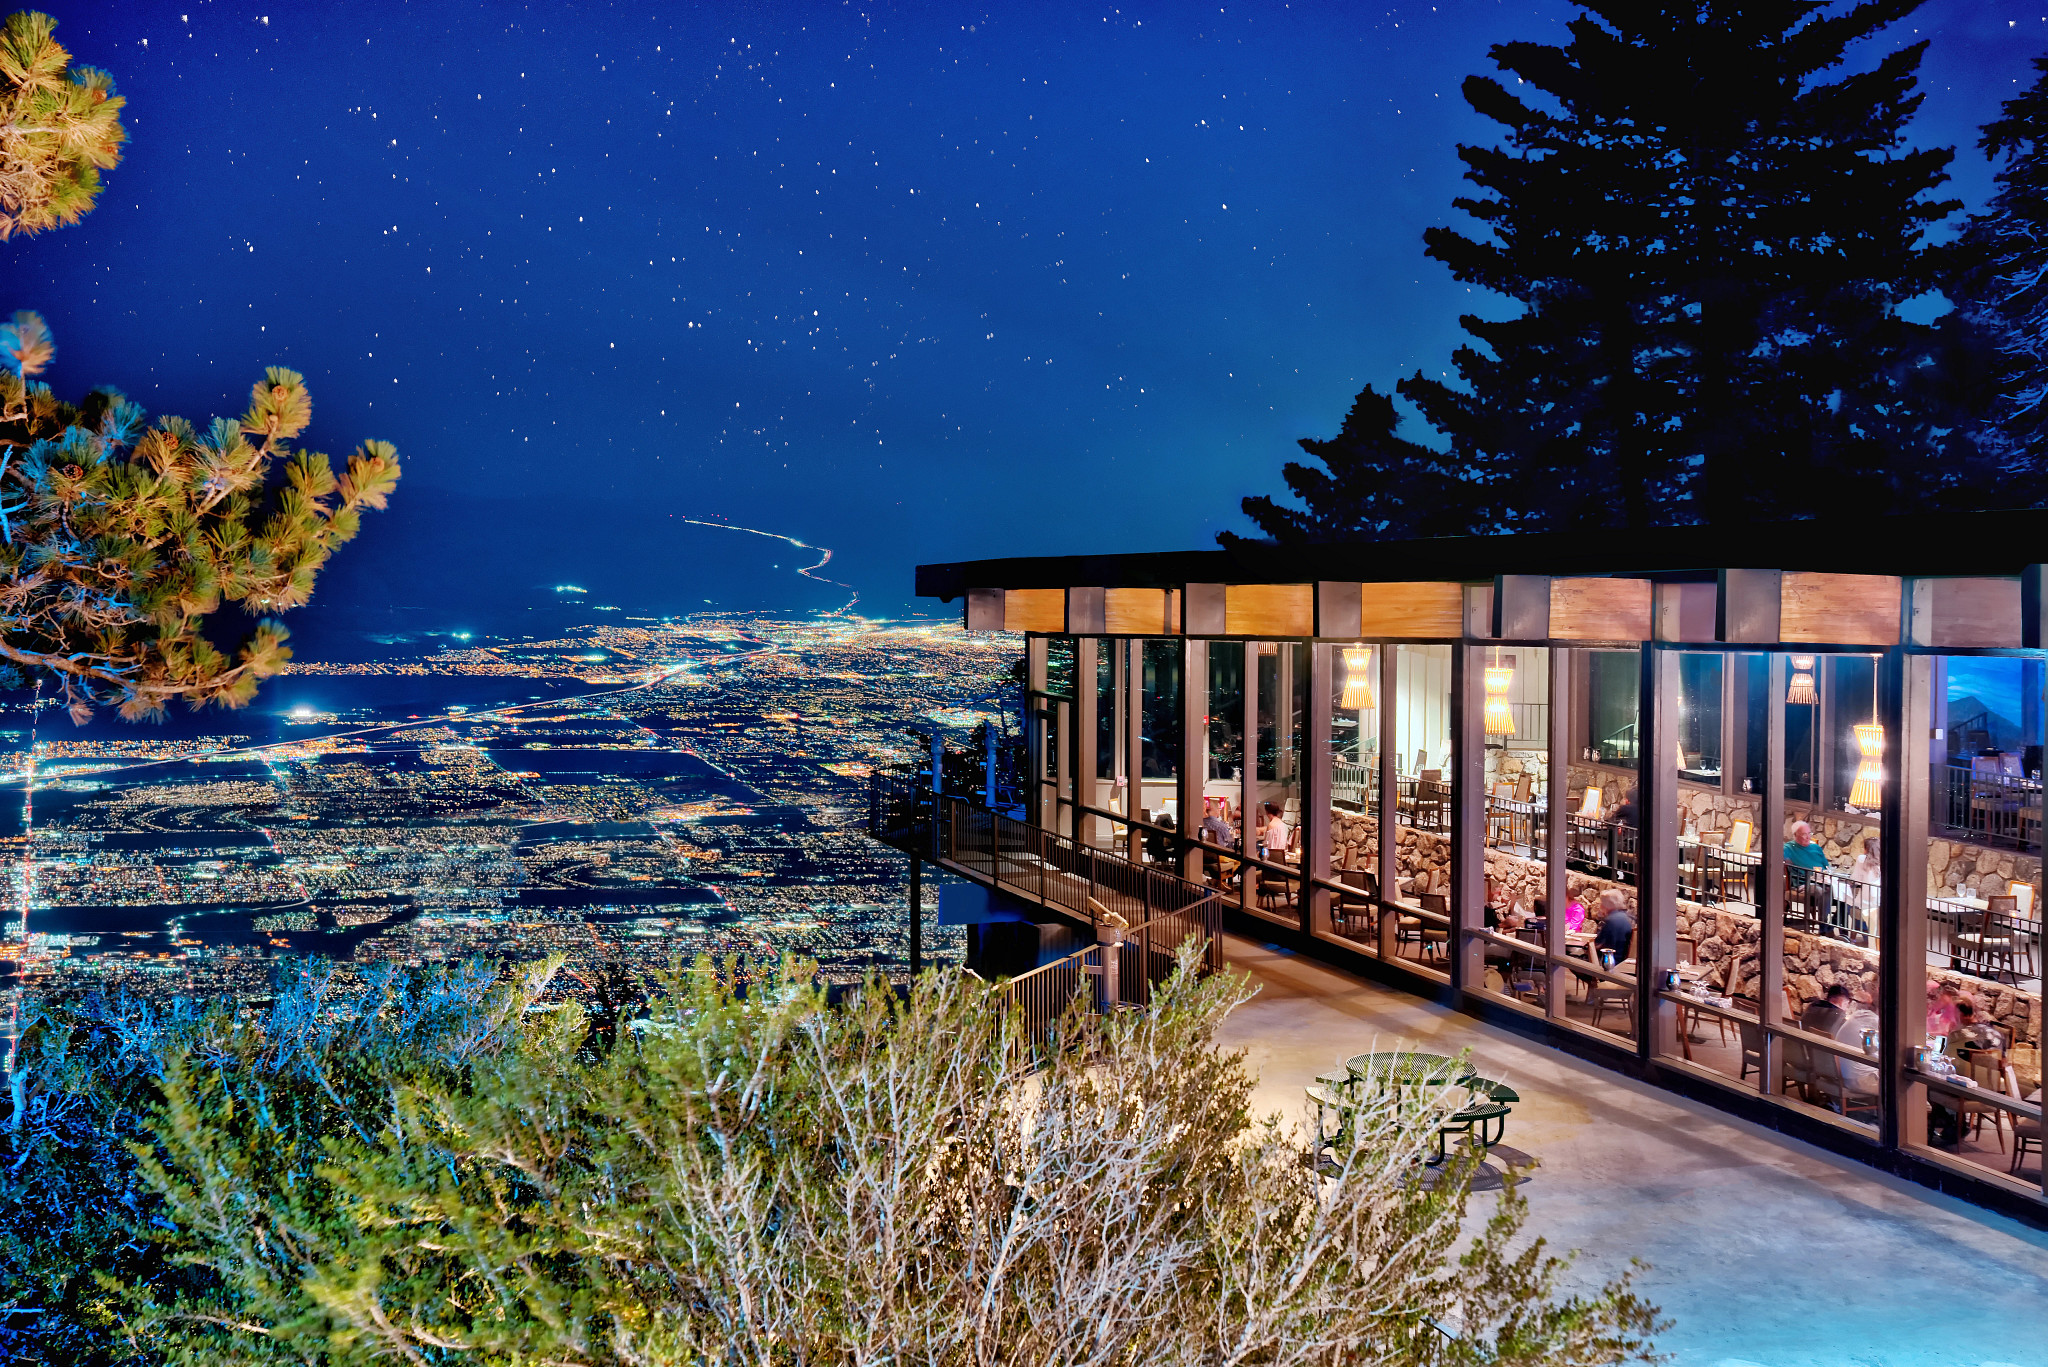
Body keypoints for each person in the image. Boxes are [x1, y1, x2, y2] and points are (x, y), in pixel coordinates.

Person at [1845, 835, 1881, 933]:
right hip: (1880, 899)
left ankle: (1858, 933)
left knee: (1847, 901)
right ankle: (1867, 934)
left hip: (1866, 900)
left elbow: (1856, 879)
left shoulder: (1862, 859)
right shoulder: (1883, 861)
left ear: (1866, 848)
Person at [1593, 889, 1636, 966]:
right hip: (1622, 962)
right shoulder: (1629, 919)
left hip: (1608, 963)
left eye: (1602, 903)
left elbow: (1596, 945)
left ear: (1607, 904)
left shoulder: (1609, 921)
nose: (1600, 906)